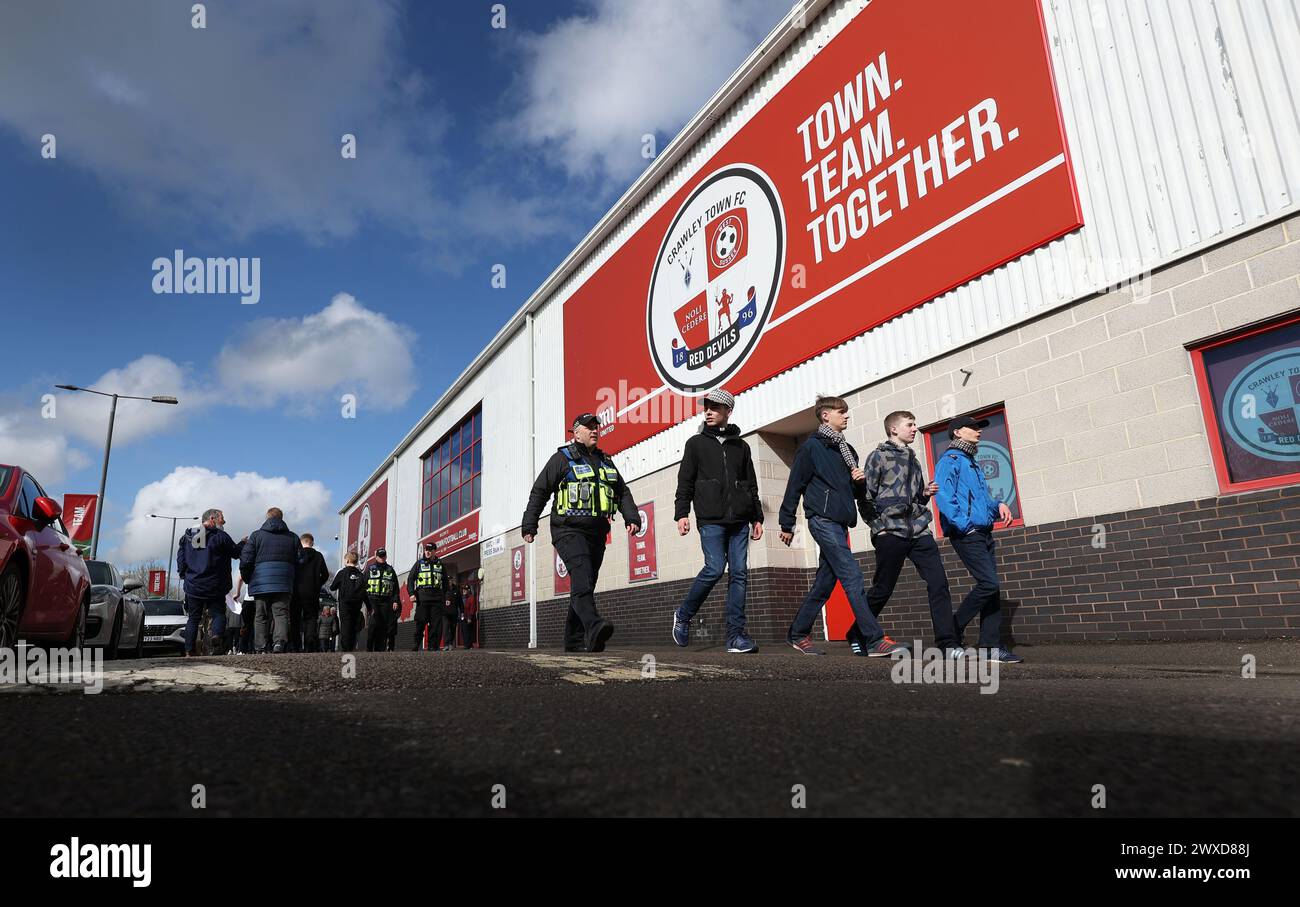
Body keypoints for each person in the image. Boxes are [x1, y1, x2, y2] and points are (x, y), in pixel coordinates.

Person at [779, 396, 908, 657]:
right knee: (852, 576)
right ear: (825, 416)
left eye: (846, 412)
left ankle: (798, 632)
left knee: (824, 584)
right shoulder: (810, 448)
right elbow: (795, 486)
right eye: (841, 412)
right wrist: (787, 523)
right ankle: (873, 639)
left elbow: (854, 493)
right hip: (821, 520)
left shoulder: (847, 450)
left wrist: (858, 482)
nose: (846, 416)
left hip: (840, 522)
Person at [521, 412, 640, 653]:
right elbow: (540, 491)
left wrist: (631, 516)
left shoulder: (606, 461)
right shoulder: (562, 458)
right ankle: (594, 626)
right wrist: (529, 523)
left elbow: (622, 491)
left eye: (596, 426)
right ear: (576, 433)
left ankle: (573, 641)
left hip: (597, 533)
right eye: (588, 427)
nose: (595, 430)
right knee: (582, 575)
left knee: (584, 583)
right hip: (568, 529)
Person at [853, 410, 962, 657]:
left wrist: (925, 494)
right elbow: (865, 497)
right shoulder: (878, 457)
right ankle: (857, 631)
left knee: (939, 583)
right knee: (883, 588)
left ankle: (948, 643)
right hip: (890, 531)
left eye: (915, 424)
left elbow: (913, 497)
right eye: (909, 424)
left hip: (919, 530)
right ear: (894, 429)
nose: (914, 428)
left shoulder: (914, 459)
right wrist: (879, 529)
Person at [670, 388, 764, 653]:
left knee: (739, 574)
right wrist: (681, 513)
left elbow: (750, 483)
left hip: (740, 520)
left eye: (714, 407)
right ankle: (684, 614)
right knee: (714, 568)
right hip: (710, 518)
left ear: (727, 411)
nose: (708, 411)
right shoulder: (695, 444)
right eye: (706, 407)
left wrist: (756, 516)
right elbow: (685, 481)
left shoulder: (740, 446)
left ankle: (735, 636)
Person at [933, 414, 1023, 663]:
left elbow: (980, 500)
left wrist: (999, 505)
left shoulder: (971, 462)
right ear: (957, 433)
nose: (978, 431)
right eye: (972, 428)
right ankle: (952, 629)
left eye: (979, 427)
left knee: (992, 589)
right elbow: (944, 498)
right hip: (967, 533)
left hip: (983, 531)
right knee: (989, 584)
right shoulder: (949, 461)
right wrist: (966, 526)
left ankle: (991, 647)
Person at [176, 509, 246, 657]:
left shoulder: (186, 537)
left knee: (193, 618)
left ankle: (189, 651)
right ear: (213, 519)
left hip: (193, 586)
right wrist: (242, 543)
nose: (224, 522)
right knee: (218, 614)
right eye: (222, 519)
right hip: (215, 585)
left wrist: (185, 575)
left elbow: (181, 560)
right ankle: (216, 636)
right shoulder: (220, 536)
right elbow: (236, 553)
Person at [239, 506, 300, 654]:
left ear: (267, 517)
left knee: (261, 615)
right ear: (281, 518)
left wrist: (248, 579)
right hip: (284, 582)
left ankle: (261, 646)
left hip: (260, 582)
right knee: (281, 613)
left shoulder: (256, 536)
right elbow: (301, 560)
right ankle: (279, 643)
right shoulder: (293, 537)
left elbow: (245, 560)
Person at [407, 542, 448, 651]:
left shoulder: (440, 564)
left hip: (437, 598)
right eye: (426, 550)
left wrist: (446, 597)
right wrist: (411, 593)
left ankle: (433, 645)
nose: (427, 552)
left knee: (436, 624)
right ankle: (416, 644)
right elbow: (411, 579)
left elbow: (445, 582)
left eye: (430, 550)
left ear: (435, 551)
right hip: (423, 597)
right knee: (421, 621)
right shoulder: (419, 563)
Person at [293, 534, 330, 652]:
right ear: (312, 543)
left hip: (296, 591)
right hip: (312, 591)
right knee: (311, 618)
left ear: (300, 542)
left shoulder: (295, 555)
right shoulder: (318, 556)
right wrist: (317, 583)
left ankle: (295, 645)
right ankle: (310, 645)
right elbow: (325, 574)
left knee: (295, 618)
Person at [364, 548, 400, 652]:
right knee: (374, 624)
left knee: (383, 625)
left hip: (386, 600)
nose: (382, 558)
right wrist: (366, 601)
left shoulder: (390, 570)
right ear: (376, 557)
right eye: (380, 556)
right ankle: (369, 648)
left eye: (383, 556)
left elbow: (395, 588)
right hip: (372, 600)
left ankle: (380, 649)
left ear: (386, 556)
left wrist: (395, 601)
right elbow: (363, 585)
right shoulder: (370, 569)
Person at [330, 551, 367, 652]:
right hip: (357, 604)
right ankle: (352, 647)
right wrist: (369, 605)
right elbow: (365, 591)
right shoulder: (361, 574)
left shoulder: (342, 572)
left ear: (347, 560)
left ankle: (346, 648)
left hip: (345, 603)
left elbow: (332, 587)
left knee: (346, 625)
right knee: (354, 625)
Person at [232, 576, 256, 653]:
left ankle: (243, 649)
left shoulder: (249, 565)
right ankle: (260, 648)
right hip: (260, 598)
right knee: (260, 623)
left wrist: (238, 593)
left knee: (246, 625)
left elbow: (240, 578)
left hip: (248, 598)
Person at [439, 581, 462, 651]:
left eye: (450, 581)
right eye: (448, 581)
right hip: (445, 613)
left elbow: (460, 602)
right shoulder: (442, 590)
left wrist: (462, 611)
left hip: (453, 613)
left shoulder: (456, 591)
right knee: (445, 628)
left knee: (452, 628)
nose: (449, 582)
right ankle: (446, 644)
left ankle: (450, 644)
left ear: (452, 582)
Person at [459, 583, 478, 649]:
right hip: (462, 617)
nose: (464, 591)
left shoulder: (471, 598)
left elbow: (472, 608)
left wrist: (469, 617)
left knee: (468, 631)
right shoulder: (462, 598)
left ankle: (468, 645)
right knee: (464, 631)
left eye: (466, 589)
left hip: (468, 617)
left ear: (469, 590)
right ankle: (467, 644)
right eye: (463, 589)